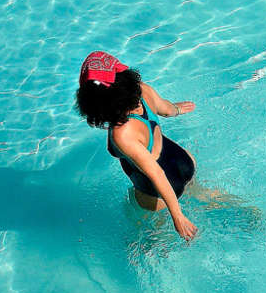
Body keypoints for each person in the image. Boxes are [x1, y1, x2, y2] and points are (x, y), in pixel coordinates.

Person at [73, 51, 198, 240]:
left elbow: (156, 173)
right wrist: (178, 109)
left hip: (156, 192)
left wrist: (178, 216)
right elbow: (166, 109)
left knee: (151, 240)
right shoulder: (143, 90)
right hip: (183, 161)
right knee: (207, 197)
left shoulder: (122, 133)